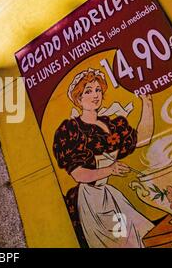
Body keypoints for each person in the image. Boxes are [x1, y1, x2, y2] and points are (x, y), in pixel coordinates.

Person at [53, 68, 154, 248]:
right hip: (90, 201)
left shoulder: (111, 124)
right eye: (88, 91)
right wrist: (111, 169)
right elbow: (78, 174)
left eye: (98, 90)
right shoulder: (72, 130)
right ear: (78, 98)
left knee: (144, 233)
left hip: (108, 194)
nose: (95, 95)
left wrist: (147, 103)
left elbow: (143, 138)